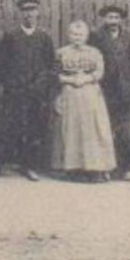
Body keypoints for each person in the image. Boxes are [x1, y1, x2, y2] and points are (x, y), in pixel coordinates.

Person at [0, 0, 57, 180]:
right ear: (20, 14)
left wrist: (41, 83)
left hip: (36, 94)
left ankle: (29, 166)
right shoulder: (11, 37)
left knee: (34, 129)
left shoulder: (44, 38)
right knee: (6, 127)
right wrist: (6, 85)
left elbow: (51, 66)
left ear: (38, 13)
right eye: (25, 11)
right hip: (14, 92)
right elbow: (0, 64)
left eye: (32, 10)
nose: (29, 14)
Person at [48, 19, 118, 180]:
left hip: (90, 93)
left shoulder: (95, 52)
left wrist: (86, 79)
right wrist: (69, 80)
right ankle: (73, 168)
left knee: (92, 130)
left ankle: (95, 167)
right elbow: (55, 74)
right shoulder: (61, 52)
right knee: (71, 129)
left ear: (86, 36)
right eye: (74, 34)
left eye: (80, 34)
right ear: (68, 35)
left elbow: (100, 72)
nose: (77, 37)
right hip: (69, 93)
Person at [89, 3, 130, 180]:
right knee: (104, 128)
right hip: (105, 89)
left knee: (125, 128)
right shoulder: (96, 37)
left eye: (116, 18)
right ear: (104, 19)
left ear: (121, 20)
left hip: (124, 90)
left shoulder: (129, 36)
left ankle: (126, 166)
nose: (113, 21)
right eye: (110, 17)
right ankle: (103, 168)